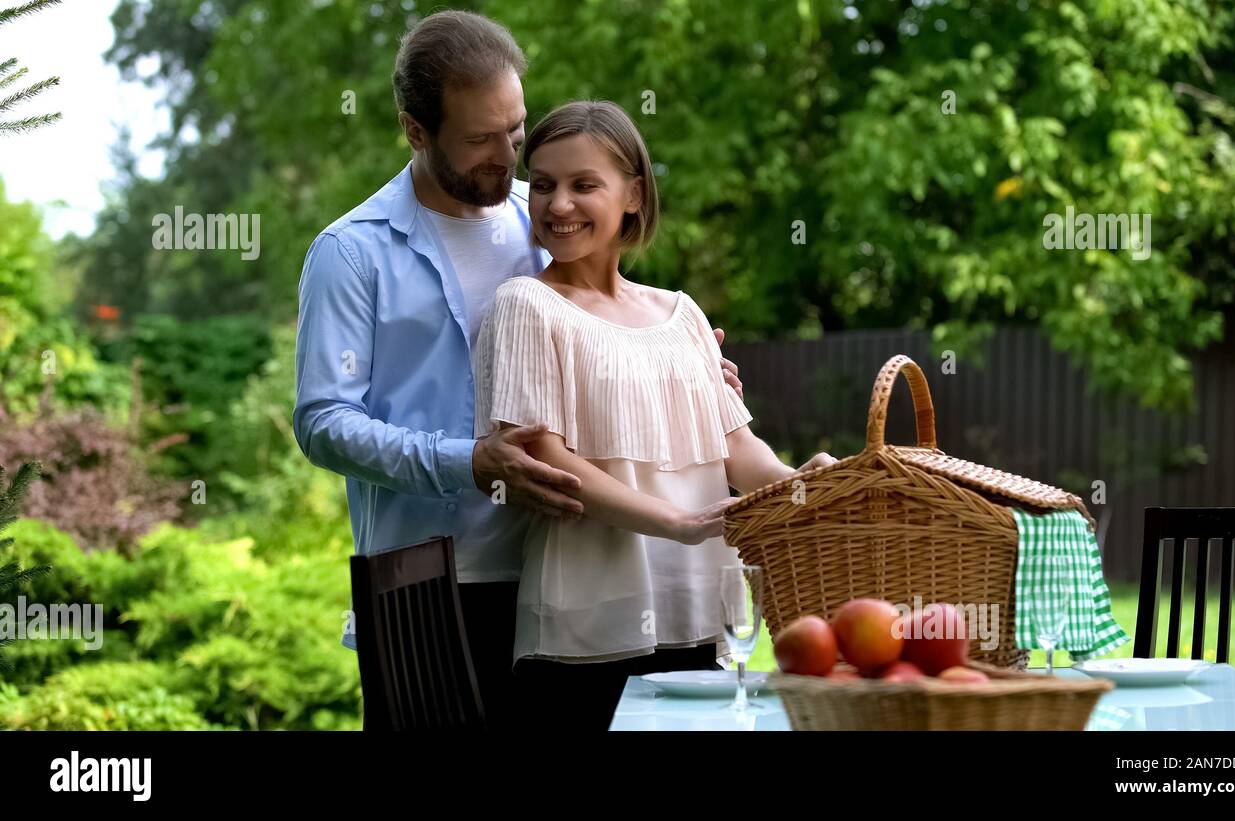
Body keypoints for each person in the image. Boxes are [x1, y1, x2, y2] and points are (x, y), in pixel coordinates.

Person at [292, 10, 745, 729]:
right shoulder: (353, 252)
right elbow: (322, 422)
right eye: (479, 139)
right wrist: (466, 461)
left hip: (560, 571)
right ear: (415, 130)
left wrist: (680, 374)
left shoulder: (540, 216)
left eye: (514, 131)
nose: (506, 159)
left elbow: (600, 332)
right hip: (433, 585)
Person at [474, 100, 835, 731]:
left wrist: (809, 486)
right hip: (585, 624)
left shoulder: (683, 313)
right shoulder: (525, 306)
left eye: (584, 185)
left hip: (699, 607)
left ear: (634, 194)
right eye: (545, 185)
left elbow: (740, 452)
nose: (559, 204)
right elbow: (546, 460)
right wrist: (681, 521)